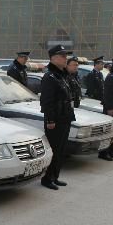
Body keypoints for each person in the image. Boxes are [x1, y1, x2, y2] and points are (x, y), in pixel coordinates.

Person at [40, 45, 75, 190]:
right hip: (55, 120)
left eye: (66, 56)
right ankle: (47, 178)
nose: (65, 59)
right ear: (53, 58)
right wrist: (50, 120)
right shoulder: (50, 77)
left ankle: (55, 176)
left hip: (65, 117)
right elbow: (47, 101)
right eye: (62, 56)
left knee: (61, 150)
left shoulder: (62, 75)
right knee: (54, 149)